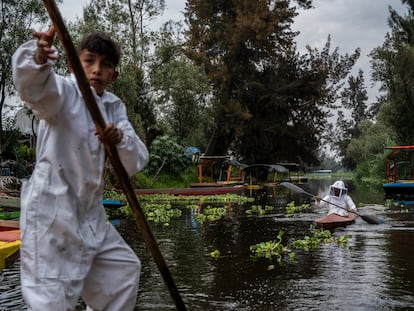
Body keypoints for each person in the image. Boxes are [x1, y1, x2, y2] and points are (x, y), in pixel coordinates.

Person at [12, 26, 149, 310]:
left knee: (122, 272)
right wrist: (38, 58)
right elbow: (33, 88)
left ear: (114, 75)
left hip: (90, 215)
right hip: (53, 214)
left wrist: (118, 139)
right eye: (89, 61)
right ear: (75, 63)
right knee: (51, 299)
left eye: (106, 65)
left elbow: (135, 159)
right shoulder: (62, 91)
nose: (97, 70)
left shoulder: (113, 107)